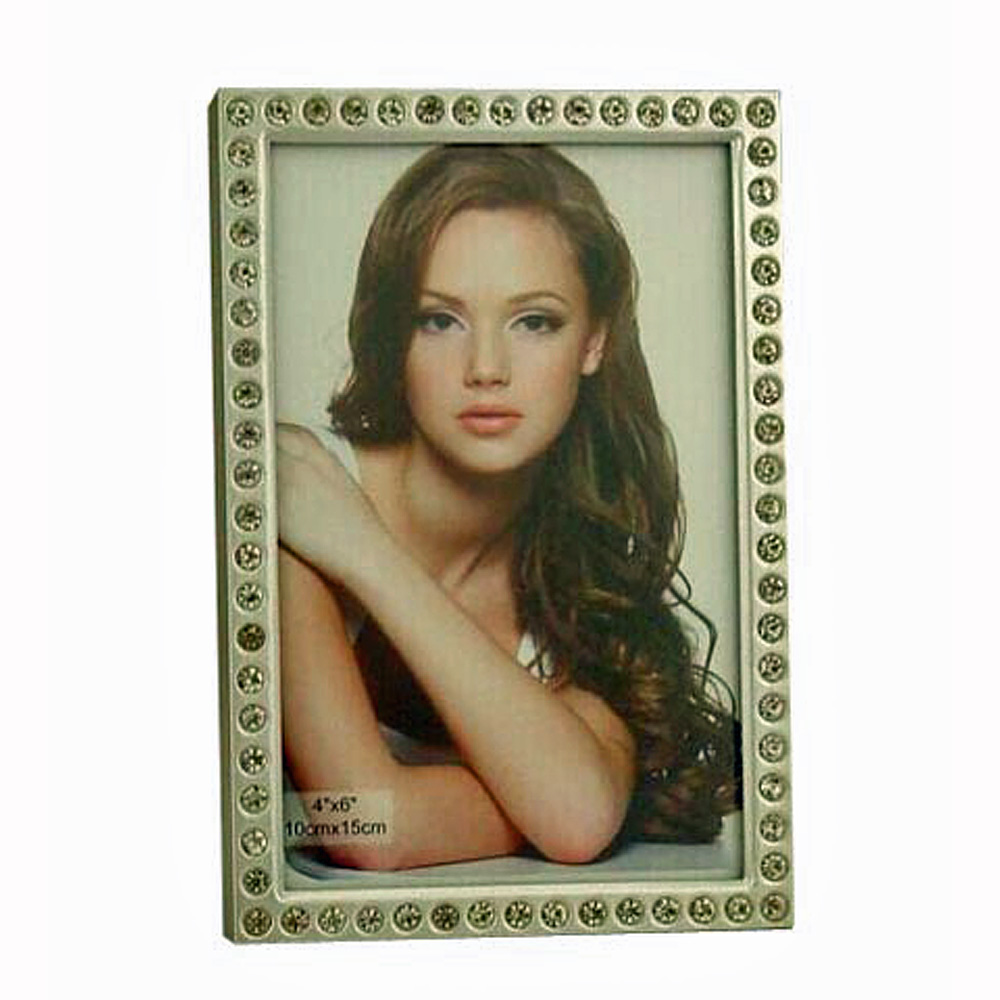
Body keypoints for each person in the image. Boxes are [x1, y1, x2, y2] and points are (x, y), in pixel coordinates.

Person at [277, 145, 739, 872]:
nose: (486, 368)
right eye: (439, 320)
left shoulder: (578, 590)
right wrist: (530, 792)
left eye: (534, 322)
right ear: (394, 334)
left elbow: (576, 816)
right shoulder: (299, 497)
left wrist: (365, 554)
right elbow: (365, 824)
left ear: (594, 341)